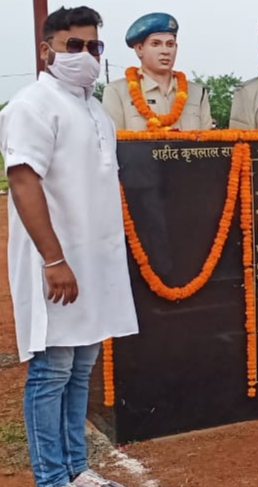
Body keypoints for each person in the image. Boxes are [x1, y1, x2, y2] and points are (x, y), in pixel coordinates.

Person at [0, 6, 139, 487]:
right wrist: (54, 260)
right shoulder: (31, 105)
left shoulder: (94, 108)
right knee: (53, 370)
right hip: (55, 262)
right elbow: (22, 182)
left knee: (81, 368)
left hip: (94, 262)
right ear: (47, 49)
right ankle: (52, 477)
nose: (85, 55)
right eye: (73, 45)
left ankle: (77, 470)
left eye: (94, 47)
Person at [102, 12, 212, 130]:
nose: (165, 51)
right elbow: (112, 143)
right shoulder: (117, 92)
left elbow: (209, 143)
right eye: (156, 44)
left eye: (170, 44)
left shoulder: (197, 93)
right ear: (139, 49)